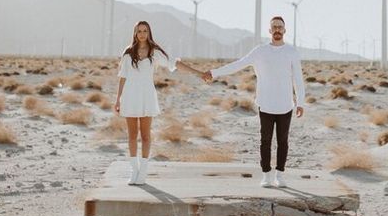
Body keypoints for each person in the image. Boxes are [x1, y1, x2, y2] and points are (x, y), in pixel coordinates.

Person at [203, 16, 304, 188]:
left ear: (285, 30)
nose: (277, 30)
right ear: (270, 31)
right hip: (265, 103)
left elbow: (298, 78)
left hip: (285, 104)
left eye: (280, 27)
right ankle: (266, 175)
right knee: (265, 140)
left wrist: (301, 102)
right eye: (274, 27)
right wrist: (214, 72)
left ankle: (280, 175)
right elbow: (238, 64)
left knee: (283, 141)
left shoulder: (291, 51)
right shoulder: (260, 51)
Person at [114, 20, 204, 185]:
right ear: (135, 33)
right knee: (132, 135)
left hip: (146, 96)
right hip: (130, 96)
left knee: (146, 135)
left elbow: (174, 63)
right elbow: (123, 76)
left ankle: (143, 172)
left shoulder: (154, 52)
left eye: (145, 31)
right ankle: (134, 170)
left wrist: (199, 73)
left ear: (149, 33)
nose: (142, 34)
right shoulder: (128, 52)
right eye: (139, 31)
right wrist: (118, 98)